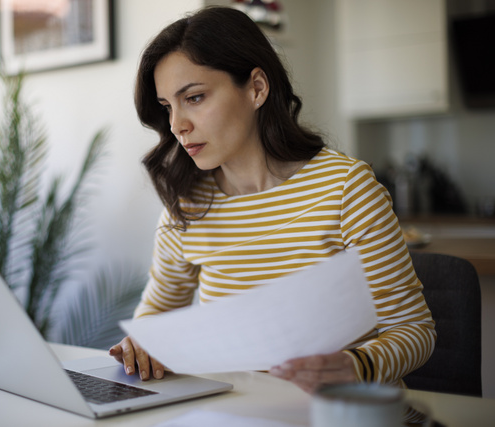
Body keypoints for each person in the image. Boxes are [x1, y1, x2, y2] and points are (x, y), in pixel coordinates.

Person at [110, 5, 436, 400]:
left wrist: (357, 365)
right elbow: (155, 319)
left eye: (193, 98)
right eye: (167, 107)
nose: (178, 124)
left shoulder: (346, 188)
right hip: (237, 414)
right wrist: (139, 347)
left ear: (257, 88)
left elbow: (415, 330)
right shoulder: (187, 207)